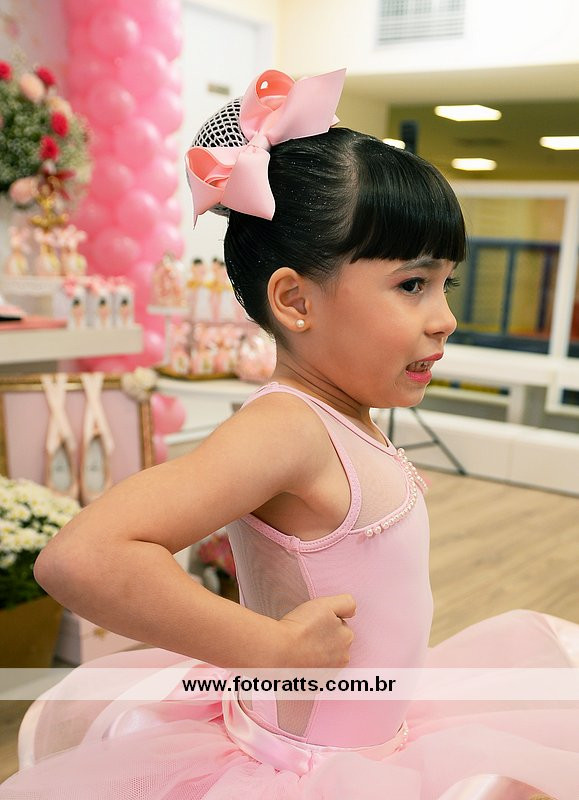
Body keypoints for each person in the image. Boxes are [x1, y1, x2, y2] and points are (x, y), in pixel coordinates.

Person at [1, 67, 578, 800]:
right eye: (412, 285)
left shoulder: (341, 414)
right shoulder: (287, 427)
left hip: (377, 742)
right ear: (295, 300)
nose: (444, 318)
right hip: (308, 769)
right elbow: (80, 557)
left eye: (446, 285)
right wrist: (269, 645)